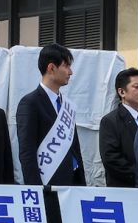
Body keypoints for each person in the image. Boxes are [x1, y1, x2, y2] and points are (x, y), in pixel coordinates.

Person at [15, 43, 86, 187]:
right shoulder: (30, 103)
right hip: (48, 183)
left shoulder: (66, 105)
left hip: (72, 183)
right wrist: (36, 189)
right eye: (66, 66)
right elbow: (27, 152)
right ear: (51, 68)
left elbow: (74, 148)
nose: (70, 72)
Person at [99, 67, 138, 188]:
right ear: (122, 92)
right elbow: (111, 158)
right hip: (125, 189)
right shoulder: (110, 121)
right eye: (137, 87)